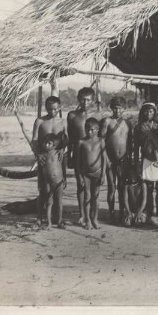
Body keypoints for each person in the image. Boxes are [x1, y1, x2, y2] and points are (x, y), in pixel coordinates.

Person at [31, 96, 67, 227]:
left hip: (57, 160)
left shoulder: (63, 122)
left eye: (55, 109)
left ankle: (58, 218)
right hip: (43, 159)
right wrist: (37, 154)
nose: (52, 112)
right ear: (46, 108)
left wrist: (62, 149)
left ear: (59, 108)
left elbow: (66, 138)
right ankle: (39, 216)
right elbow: (34, 140)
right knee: (43, 190)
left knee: (59, 190)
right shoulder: (40, 121)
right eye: (50, 109)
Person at [99, 96, 132, 222]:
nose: (118, 111)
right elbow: (101, 141)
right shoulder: (107, 121)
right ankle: (111, 212)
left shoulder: (128, 123)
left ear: (124, 109)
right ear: (111, 108)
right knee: (112, 187)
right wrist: (105, 158)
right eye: (115, 109)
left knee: (123, 187)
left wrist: (129, 157)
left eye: (120, 109)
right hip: (110, 159)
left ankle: (122, 211)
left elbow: (129, 142)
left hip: (124, 160)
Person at [67, 87, 96, 226]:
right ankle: (82, 215)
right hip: (79, 155)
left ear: (93, 101)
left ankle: (92, 215)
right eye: (83, 99)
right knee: (81, 185)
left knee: (93, 187)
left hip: (93, 155)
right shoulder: (72, 115)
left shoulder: (98, 116)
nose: (85, 102)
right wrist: (70, 156)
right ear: (78, 99)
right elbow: (70, 138)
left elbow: (101, 138)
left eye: (88, 100)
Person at [133, 102, 158, 217]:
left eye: (151, 111)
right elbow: (136, 149)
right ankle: (150, 212)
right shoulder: (138, 128)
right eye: (146, 111)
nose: (148, 113)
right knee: (149, 189)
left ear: (155, 112)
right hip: (146, 160)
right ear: (142, 112)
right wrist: (137, 165)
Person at [75, 117, 106, 230]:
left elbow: (104, 159)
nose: (89, 132)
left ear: (97, 130)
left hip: (97, 173)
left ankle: (95, 219)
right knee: (87, 196)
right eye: (87, 129)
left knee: (96, 197)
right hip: (85, 174)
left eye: (92, 129)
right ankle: (87, 220)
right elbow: (77, 161)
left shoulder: (101, 141)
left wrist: (103, 175)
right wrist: (79, 176)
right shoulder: (81, 142)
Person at [39, 134, 67, 230]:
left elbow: (63, 167)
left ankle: (59, 221)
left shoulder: (58, 153)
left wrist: (65, 179)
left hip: (59, 182)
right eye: (45, 143)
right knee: (49, 202)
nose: (46, 145)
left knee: (59, 202)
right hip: (48, 182)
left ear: (54, 145)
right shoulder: (42, 156)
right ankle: (49, 223)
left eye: (49, 143)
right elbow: (40, 170)